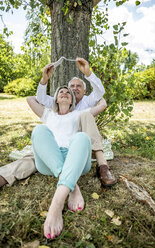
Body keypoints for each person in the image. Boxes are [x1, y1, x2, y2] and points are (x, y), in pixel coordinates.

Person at [0, 57, 116, 188]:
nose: (73, 89)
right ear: (56, 98)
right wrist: (45, 80)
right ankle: (3, 176)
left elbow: (100, 96)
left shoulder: (84, 108)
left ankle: (102, 166)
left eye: (78, 86)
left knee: (86, 117)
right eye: (70, 87)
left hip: (74, 149)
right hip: (52, 149)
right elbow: (36, 99)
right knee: (31, 156)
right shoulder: (51, 112)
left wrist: (88, 73)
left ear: (84, 91)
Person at [29, 85, 105, 238]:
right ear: (56, 99)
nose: (64, 93)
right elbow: (30, 99)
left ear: (72, 101)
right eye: (61, 92)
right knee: (39, 130)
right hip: (50, 160)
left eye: (68, 93)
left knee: (82, 137)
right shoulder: (48, 114)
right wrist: (49, 99)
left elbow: (102, 104)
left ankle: (56, 204)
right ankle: (73, 187)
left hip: (75, 159)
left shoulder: (78, 114)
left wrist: (94, 89)